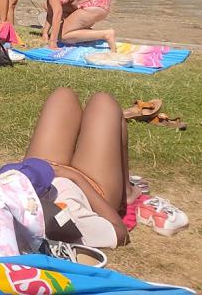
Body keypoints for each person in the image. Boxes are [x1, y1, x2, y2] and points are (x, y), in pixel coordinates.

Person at [24, 87, 134, 247]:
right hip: (92, 192)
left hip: (38, 177)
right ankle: (126, 191)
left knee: (63, 96)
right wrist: (75, 177)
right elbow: (121, 233)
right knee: (104, 103)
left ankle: (126, 189)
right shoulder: (69, 228)